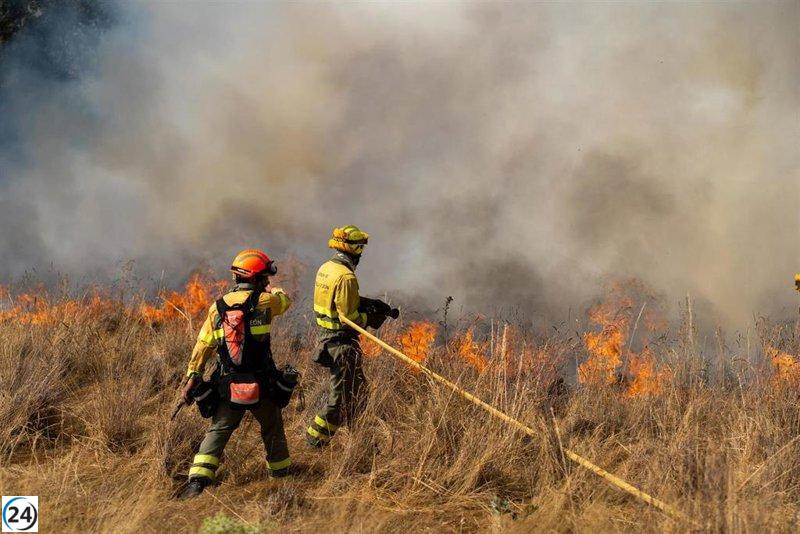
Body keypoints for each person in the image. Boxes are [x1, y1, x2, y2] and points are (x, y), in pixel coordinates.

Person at [180, 249, 292, 499]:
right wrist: (275, 289)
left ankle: (197, 481)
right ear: (256, 278)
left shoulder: (217, 307)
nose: (266, 280)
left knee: (219, 429)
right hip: (262, 384)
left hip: (229, 384)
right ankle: (281, 477)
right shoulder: (267, 301)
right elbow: (285, 302)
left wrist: (192, 376)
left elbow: (203, 344)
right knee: (272, 426)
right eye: (264, 277)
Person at [306, 225, 393, 447]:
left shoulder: (327, 268)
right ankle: (314, 440)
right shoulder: (346, 276)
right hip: (341, 343)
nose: (362, 255)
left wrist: (367, 303)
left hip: (327, 337)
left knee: (359, 392)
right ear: (355, 250)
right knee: (340, 399)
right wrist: (370, 317)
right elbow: (348, 318)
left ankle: (360, 441)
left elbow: (336, 300)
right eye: (361, 249)